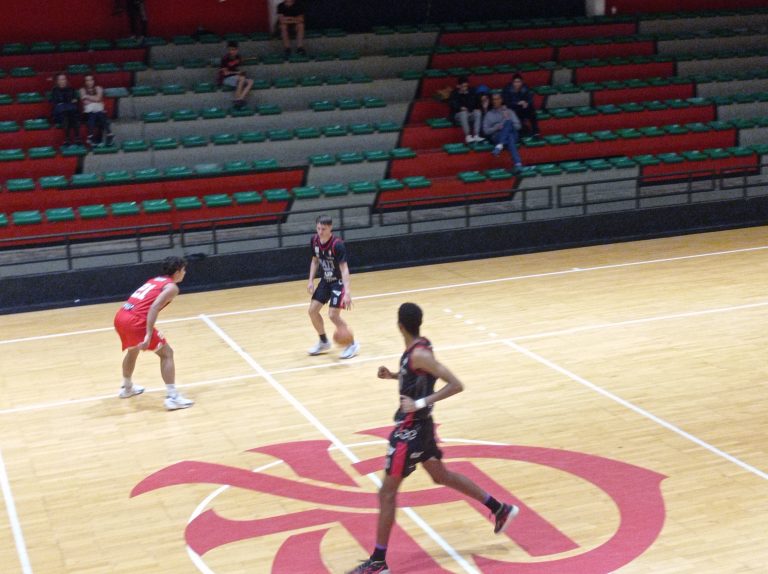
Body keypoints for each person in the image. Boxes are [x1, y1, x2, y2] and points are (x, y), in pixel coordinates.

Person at [346, 303, 518, 574]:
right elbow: (418, 378)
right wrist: (393, 376)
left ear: (399, 325)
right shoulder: (419, 348)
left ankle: (378, 562)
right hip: (422, 427)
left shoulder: (420, 353)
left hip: (411, 430)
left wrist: (419, 403)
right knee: (441, 475)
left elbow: (456, 384)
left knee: (387, 492)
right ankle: (499, 509)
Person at [113, 256, 194, 411]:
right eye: (183, 270)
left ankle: (127, 388)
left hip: (121, 316)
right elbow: (154, 308)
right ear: (177, 272)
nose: (185, 273)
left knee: (133, 350)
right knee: (167, 354)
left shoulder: (155, 280)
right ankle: (173, 398)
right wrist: (148, 334)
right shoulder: (171, 288)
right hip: (135, 321)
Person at [307, 214, 359, 360]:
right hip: (325, 280)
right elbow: (315, 261)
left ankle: (352, 344)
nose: (320, 231)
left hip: (338, 282)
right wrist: (310, 280)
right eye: (318, 228)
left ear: (330, 228)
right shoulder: (314, 241)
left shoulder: (337, 245)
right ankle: (324, 341)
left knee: (333, 315)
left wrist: (347, 292)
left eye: (323, 229)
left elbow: (344, 269)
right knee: (312, 311)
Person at [482, 92, 523, 169]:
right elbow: (485, 131)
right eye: (494, 99)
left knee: (509, 122)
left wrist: (507, 122)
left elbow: (518, 126)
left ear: (501, 100)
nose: (495, 101)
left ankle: (499, 145)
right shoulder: (489, 114)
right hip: (497, 135)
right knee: (509, 136)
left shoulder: (509, 111)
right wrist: (496, 128)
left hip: (513, 133)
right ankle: (518, 163)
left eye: (497, 99)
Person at [79, 75, 114, 147]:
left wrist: (87, 96)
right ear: (85, 82)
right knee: (94, 114)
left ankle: (91, 136)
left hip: (99, 112)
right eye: (87, 80)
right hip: (88, 113)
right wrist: (95, 99)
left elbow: (98, 98)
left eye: (91, 80)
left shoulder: (98, 88)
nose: (89, 82)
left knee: (99, 114)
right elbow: (85, 102)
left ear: (94, 81)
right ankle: (109, 134)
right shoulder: (82, 90)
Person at [502, 73, 540, 138]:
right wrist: (517, 103)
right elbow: (506, 102)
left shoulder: (525, 88)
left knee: (531, 109)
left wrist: (526, 103)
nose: (517, 84)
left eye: (519, 82)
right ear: (512, 82)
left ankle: (536, 131)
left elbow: (530, 98)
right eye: (515, 82)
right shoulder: (507, 89)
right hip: (512, 108)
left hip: (522, 108)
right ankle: (523, 130)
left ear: (522, 82)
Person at [219, 41, 255, 109]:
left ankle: (240, 98)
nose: (232, 51)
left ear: (237, 50)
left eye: (233, 50)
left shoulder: (238, 57)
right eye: (230, 50)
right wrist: (237, 73)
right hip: (225, 78)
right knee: (241, 78)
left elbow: (239, 61)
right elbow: (225, 73)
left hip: (235, 77)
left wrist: (239, 72)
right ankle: (237, 99)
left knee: (250, 81)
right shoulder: (225, 59)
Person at [448, 76, 483, 144]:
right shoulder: (454, 93)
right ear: (458, 86)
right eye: (463, 86)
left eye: (466, 86)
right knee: (463, 113)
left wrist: (466, 95)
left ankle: (476, 135)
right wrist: (460, 107)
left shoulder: (471, 92)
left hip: (469, 112)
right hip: (458, 114)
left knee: (477, 112)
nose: (465, 88)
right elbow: (453, 105)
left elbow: (474, 104)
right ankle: (468, 135)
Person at [50, 73, 80, 146]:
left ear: (66, 80)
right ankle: (67, 138)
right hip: (59, 113)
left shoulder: (71, 89)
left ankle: (76, 137)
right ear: (57, 81)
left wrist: (64, 103)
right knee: (65, 115)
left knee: (72, 115)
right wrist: (68, 102)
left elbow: (75, 100)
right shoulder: (54, 90)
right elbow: (55, 103)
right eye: (60, 79)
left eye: (63, 79)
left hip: (71, 112)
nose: (62, 81)